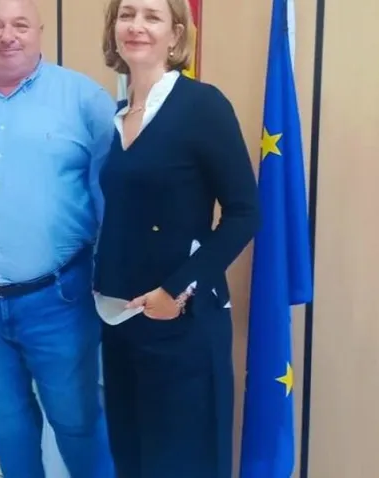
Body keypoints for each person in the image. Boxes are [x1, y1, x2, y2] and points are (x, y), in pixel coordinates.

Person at [0, 0, 117, 477]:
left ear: (39, 31)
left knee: (76, 420)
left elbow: (111, 193)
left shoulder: (84, 100)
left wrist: (115, 272)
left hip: (61, 298)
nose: (8, 36)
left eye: (20, 25)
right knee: (6, 418)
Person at [92, 0, 261, 477]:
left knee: (182, 464)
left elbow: (245, 213)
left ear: (177, 34)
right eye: (127, 14)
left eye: (152, 16)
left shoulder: (202, 106)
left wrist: (176, 290)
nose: (136, 26)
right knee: (132, 460)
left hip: (181, 323)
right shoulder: (117, 117)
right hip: (120, 321)